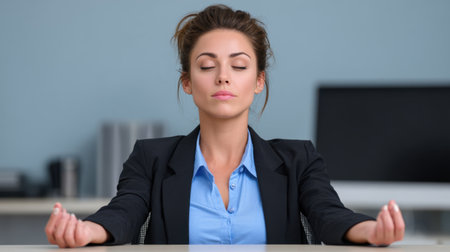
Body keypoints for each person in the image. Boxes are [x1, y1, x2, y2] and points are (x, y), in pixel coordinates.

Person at [45, 4, 405, 248]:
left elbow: (329, 215)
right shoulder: (150, 157)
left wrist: (372, 232)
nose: (222, 78)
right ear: (187, 81)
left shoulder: (300, 159)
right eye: (206, 66)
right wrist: (86, 231)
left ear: (259, 80)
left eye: (239, 65)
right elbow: (124, 212)